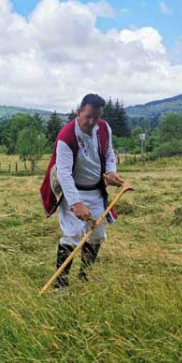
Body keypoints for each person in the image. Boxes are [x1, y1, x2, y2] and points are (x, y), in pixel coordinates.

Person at [39, 93, 125, 289]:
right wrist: (76, 203)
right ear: (79, 112)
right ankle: (60, 284)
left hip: (96, 192)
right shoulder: (66, 136)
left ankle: (85, 276)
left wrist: (111, 172)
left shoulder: (104, 128)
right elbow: (63, 174)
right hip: (73, 192)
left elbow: (109, 152)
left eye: (97, 117)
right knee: (72, 235)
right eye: (88, 116)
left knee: (96, 236)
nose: (92, 121)